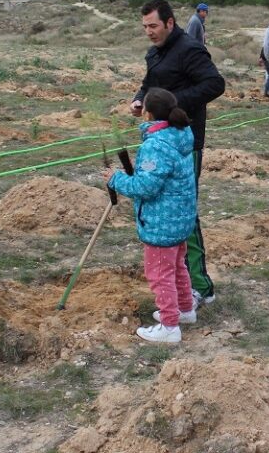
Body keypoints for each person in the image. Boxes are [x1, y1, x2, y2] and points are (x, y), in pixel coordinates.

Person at [131, 0, 225, 308]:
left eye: (154, 26)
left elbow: (215, 84)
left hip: (185, 143)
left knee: (183, 212)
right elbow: (149, 84)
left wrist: (170, 105)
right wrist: (140, 99)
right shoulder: (155, 52)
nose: (149, 32)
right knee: (165, 211)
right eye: (145, 26)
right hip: (160, 142)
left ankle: (200, 287)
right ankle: (178, 285)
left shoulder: (189, 49)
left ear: (170, 23)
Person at [107, 88, 197, 344]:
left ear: (147, 112)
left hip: (161, 222)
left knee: (160, 274)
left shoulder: (155, 146)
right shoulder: (179, 133)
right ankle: (185, 310)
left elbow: (144, 188)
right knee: (177, 266)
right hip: (179, 219)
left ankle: (169, 326)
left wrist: (116, 179)